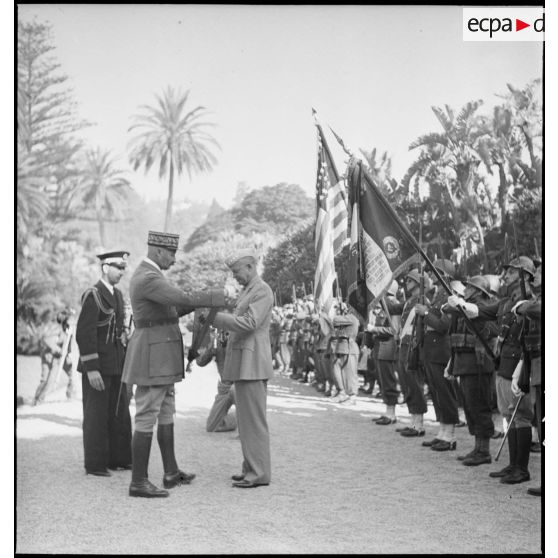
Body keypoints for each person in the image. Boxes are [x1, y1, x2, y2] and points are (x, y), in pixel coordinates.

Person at [122, 231, 230, 498]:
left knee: (166, 411)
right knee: (148, 414)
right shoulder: (148, 277)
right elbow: (182, 299)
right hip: (153, 356)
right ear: (158, 251)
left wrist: (196, 303)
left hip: (160, 355)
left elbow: (172, 310)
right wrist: (215, 294)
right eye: (171, 253)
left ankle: (170, 472)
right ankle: (138, 482)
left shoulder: (152, 276)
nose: (174, 258)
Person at [209, 249, 274, 488]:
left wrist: (216, 318)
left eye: (237, 271)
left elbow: (250, 323)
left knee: (254, 422)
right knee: (247, 422)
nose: (235, 277)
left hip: (253, 364)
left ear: (250, 267)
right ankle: (250, 468)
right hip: (246, 363)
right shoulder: (249, 290)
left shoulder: (262, 290)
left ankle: (258, 474)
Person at [472, 257, 536, 484]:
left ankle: (522, 468)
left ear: (525, 275)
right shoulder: (507, 302)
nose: (505, 276)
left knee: (521, 417)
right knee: (509, 416)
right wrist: (463, 304)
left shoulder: (532, 301)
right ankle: (513, 465)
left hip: (521, 365)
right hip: (504, 365)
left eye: (510, 272)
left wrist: (523, 367)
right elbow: (481, 310)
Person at [75, 251, 132, 477]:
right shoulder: (93, 295)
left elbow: (119, 330)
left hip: (116, 364)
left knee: (118, 413)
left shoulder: (117, 295)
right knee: (96, 415)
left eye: (123, 268)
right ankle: (95, 464)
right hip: (98, 367)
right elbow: (84, 334)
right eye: (118, 267)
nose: (121, 272)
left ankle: (118, 459)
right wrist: (92, 369)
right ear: (105, 267)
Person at [443, 275, 497, 466]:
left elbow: (490, 330)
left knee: (480, 407)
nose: (464, 289)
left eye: (468, 287)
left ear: (477, 290)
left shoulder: (485, 308)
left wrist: (464, 309)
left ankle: (484, 451)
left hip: (479, 364)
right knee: (470, 407)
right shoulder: (463, 305)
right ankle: (477, 447)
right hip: (465, 363)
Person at [415, 259, 460, 451]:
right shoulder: (438, 295)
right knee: (436, 392)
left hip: (441, 350)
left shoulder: (451, 296)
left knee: (445, 392)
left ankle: (449, 435)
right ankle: (442, 431)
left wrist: (426, 314)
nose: (431, 276)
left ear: (445, 275)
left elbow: (444, 326)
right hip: (431, 350)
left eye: (435, 273)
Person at [513, 261, 542, 496]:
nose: (536, 277)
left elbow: (539, 309)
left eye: (540, 273)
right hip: (536, 367)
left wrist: (524, 305)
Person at [369, 281, 401, 424]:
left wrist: (373, 329)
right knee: (382, 381)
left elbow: (394, 330)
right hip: (379, 347)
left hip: (388, 348)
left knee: (388, 381)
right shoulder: (384, 307)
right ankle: (388, 411)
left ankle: (391, 413)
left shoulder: (394, 307)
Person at [196, 327, 237, 433]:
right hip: (224, 388)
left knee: (234, 389)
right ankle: (237, 418)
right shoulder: (217, 342)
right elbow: (200, 362)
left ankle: (246, 419)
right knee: (211, 427)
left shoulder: (240, 338)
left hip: (240, 387)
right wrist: (211, 345)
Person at [33, 308, 74, 405]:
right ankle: (37, 399)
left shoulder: (68, 330)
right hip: (48, 357)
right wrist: (59, 350)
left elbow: (68, 344)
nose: (70, 321)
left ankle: (70, 396)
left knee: (72, 375)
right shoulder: (56, 328)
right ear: (64, 319)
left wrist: (68, 354)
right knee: (46, 380)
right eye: (69, 319)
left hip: (61, 357)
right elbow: (47, 340)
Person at [329, 302, 360, 405]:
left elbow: (335, 320)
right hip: (342, 347)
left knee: (350, 373)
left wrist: (340, 313)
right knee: (336, 369)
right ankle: (342, 392)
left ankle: (352, 397)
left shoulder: (352, 318)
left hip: (349, 348)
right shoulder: (346, 318)